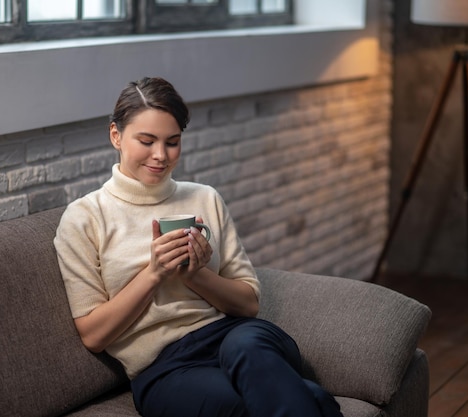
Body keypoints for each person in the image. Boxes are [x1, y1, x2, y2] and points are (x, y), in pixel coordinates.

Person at [54, 77, 343, 417]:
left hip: (238, 339)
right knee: (312, 401)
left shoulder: (205, 198)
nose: (160, 156)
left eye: (172, 142)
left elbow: (248, 303)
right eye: (146, 141)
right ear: (115, 135)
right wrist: (155, 274)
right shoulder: (85, 218)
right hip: (165, 369)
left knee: (246, 345)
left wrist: (196, 276)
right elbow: (93, 335)